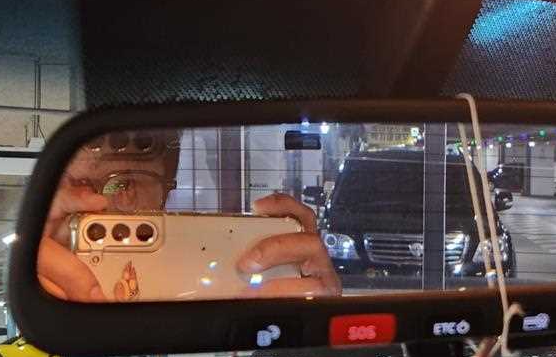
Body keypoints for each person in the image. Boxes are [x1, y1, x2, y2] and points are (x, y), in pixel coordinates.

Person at [37, 129, 341, 302]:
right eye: (78, 188)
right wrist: (36, 291)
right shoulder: (39, 275)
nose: (101, 207)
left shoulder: (191, 285)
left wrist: (311, 326)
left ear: (167, 190)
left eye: (125, 185)